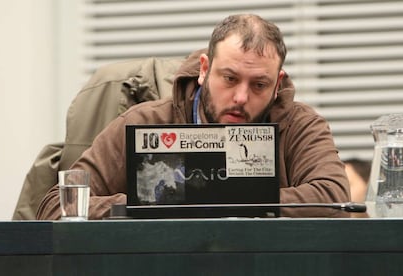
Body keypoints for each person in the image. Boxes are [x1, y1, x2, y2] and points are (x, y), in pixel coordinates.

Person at [36, 14, 350, 220]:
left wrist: (212, 201)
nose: (241, 97)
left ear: (277, 83)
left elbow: (334, 200)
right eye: (229, 78)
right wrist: (151, 205)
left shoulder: (301, 125)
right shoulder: (144, 122)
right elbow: (56, 207)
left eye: (259, 85)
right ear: (204, 69)